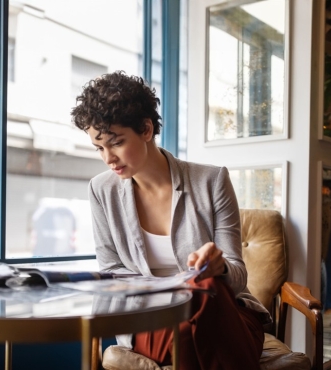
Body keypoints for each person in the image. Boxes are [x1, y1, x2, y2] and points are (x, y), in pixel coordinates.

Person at [71, 71, 270, 369]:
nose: (108, 158)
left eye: (116, 142)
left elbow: (238, 276)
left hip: (228, 315)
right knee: (191, 323)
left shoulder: (212, 180)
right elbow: (111, 271)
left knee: (204, 290)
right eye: (99, 148)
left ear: (146, 129)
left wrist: (220, 266)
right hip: (150, 322)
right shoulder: (102, 191)